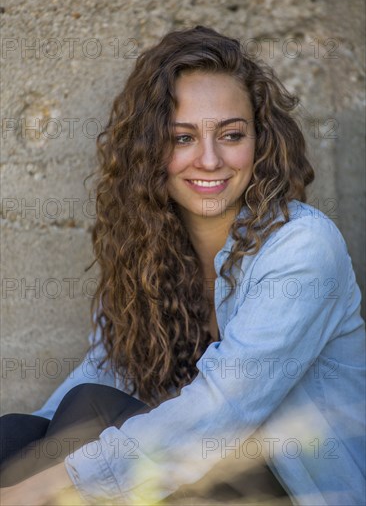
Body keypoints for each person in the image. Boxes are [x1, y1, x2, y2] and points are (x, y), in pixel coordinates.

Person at [0, 25, 365, 506]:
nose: (209, 159)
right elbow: (100, 374)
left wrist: (37, 487)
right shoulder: (150, 252)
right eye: (182, 137)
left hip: (296, 492)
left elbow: (219, 411)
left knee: (90, 416)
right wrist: (23, 458)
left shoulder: (301, 247)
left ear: (261, 141)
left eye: (231, 135)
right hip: (202, 481)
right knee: (22, 429)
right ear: (150, 150)